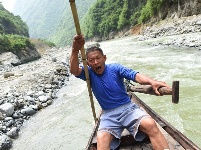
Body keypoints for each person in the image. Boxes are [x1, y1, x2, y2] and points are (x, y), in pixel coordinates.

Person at [70, 34, 170, 150]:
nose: (96, 62)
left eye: (98, 58)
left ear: (104, 58)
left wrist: (152, 82)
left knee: (150, 125)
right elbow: (74, 70)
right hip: (108, 114)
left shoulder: (115, 68)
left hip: (128, 109)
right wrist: (75, 49)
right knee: (101, 139)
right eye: (91, 60)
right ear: (88, 63)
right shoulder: (88, 74)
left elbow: (136, 76)